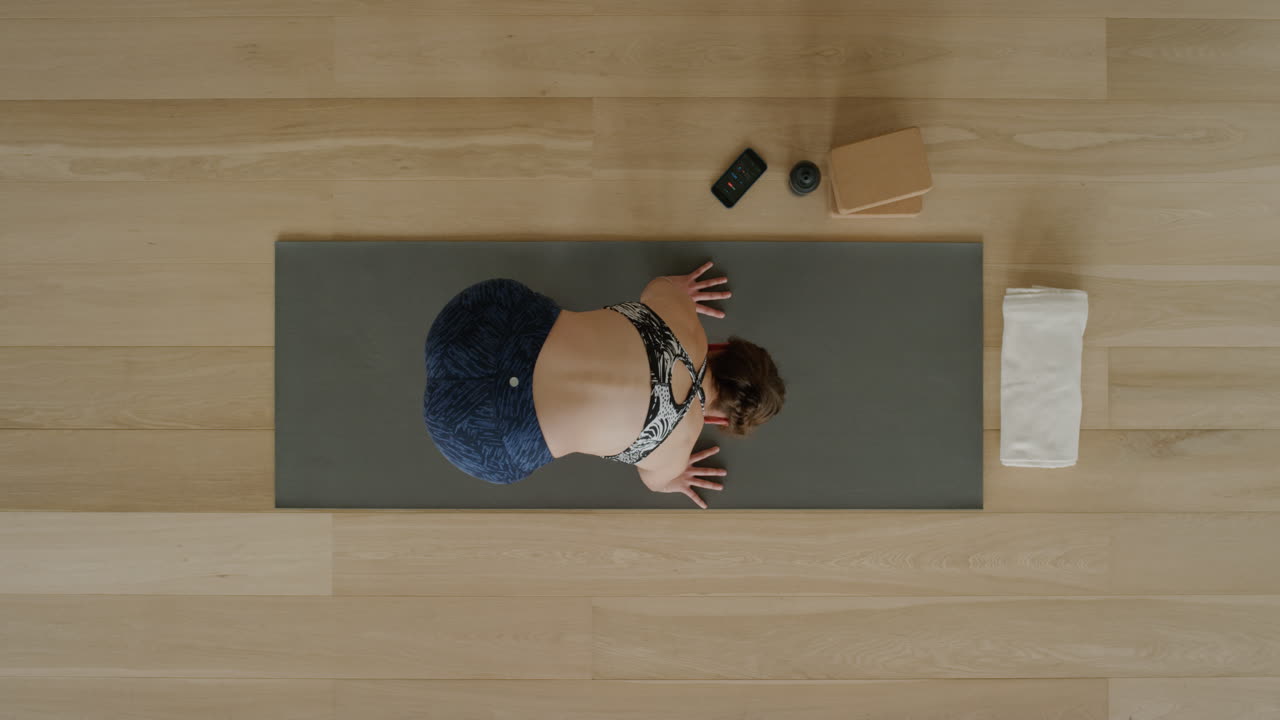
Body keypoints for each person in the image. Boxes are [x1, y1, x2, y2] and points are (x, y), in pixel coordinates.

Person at [423, 262, 785, 508]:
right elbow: (656, 483)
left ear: (723, 348)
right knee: (505, 460)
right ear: (720, 420)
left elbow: (663, 285)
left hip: (489, 327)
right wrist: (677, 474)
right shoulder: (679, 446)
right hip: (487, 432)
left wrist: (684, 297)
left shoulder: (682, 320)